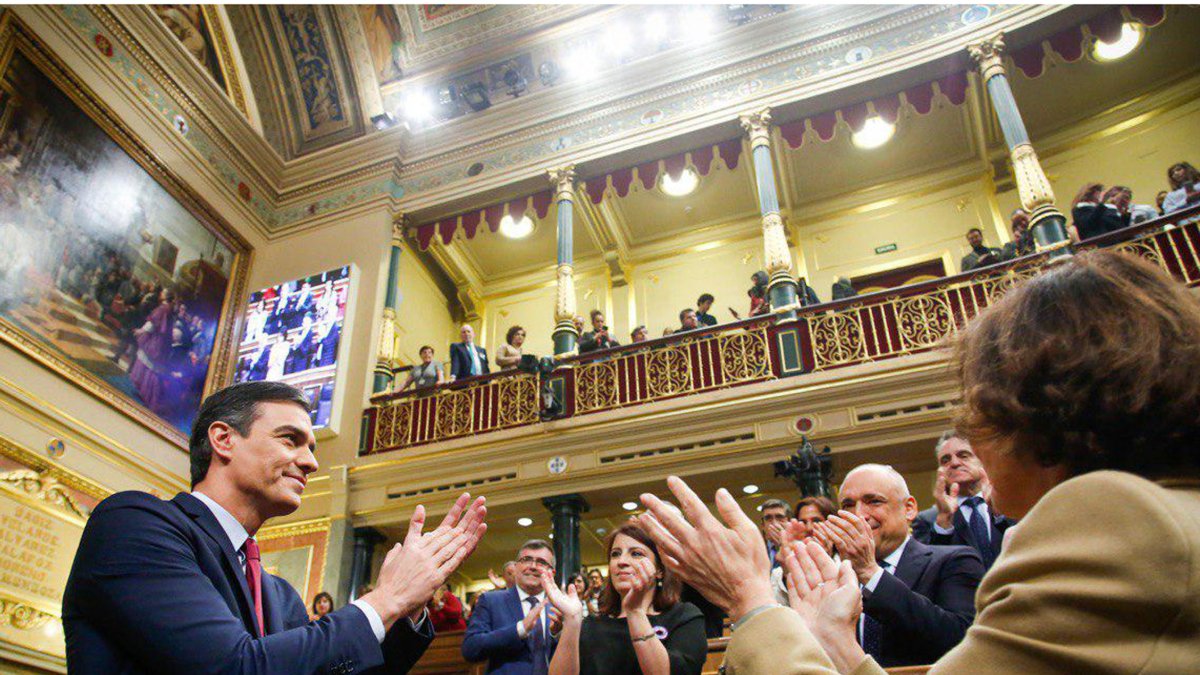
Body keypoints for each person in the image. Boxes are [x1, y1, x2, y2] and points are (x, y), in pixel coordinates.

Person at [639, 249, 1200, 675]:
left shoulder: (1117, 517)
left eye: (978, 408)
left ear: (1033, 409)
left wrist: (753, 599)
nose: (975, 438)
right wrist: (837, 644)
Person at [63, 381, 488, 673]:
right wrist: (387, 598)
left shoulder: (279, 596)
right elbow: (233, 667)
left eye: (312, 447)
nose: (311, 461)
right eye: (290, 439)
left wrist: (410, 604)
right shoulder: (136, 524)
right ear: (224, 439)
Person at [813, 464, 983, 667]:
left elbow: (960, 640)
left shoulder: (954, 560)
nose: (859, 515)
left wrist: (870, 573)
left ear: (909, 509)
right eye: (848, 505)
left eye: (874, 501)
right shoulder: (835, 577)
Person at [542, 522, 707, 675]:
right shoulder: (592, 625)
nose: (621, 562)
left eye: (636, 554)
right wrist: (572, 621)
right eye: (615, 554)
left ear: (659, 570)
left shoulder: (684, 616)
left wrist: (635, 611)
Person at [912, 432, 1016, 570]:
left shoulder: (1013, 502)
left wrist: (999, 513)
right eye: (945, 460)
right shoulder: (927, 520)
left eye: (964, 455)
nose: (954, 463)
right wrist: (944, 521)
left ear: (982, 459)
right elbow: (926, 571)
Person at [463, 540, 559, 674]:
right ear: (516, 567)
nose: (532, 566)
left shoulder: (560, 606)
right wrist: (520, 629)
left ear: (552, 572)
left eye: (541, 562)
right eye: (526, 560)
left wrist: (556, 634)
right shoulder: (491, 600)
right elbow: (471, 649)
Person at [770, 496, 837, 604]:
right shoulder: (779, 574)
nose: (809, 528)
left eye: (816, 520)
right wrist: (789, 572)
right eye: (803, 522)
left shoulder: (848, 563)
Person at [759, 498, 791, 569]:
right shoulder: (756, 552)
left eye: (780, 517)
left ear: (789, 522)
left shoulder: (797, 550)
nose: (774, 523)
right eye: (768, 518)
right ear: (763, 526)